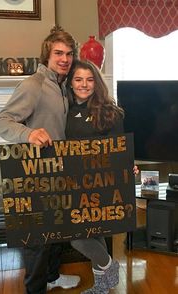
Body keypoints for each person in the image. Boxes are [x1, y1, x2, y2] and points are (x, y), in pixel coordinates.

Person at [0, 26, 80, 294]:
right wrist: (28, 133)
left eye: (69, 53)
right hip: (37, 173)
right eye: (58, 53)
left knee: (56, 233)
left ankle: (52, 277)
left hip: (60, 171)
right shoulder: (34, 84)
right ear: (47, 55)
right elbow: (0, 122)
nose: (64, 58)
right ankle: (35, 289)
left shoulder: (64, 86)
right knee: (39, 240)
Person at [65, 59, 125, 294]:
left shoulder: (110, 112)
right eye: (78, 79)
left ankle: (108, 270)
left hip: (103, 184)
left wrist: (128, 167)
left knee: (80, 237)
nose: (84, 84)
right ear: (71, 83)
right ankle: (104, 282)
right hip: (75, 183)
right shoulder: (65, 110)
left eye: (90, 80)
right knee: (88, 234)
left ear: (96, 83)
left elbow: (120, 148)